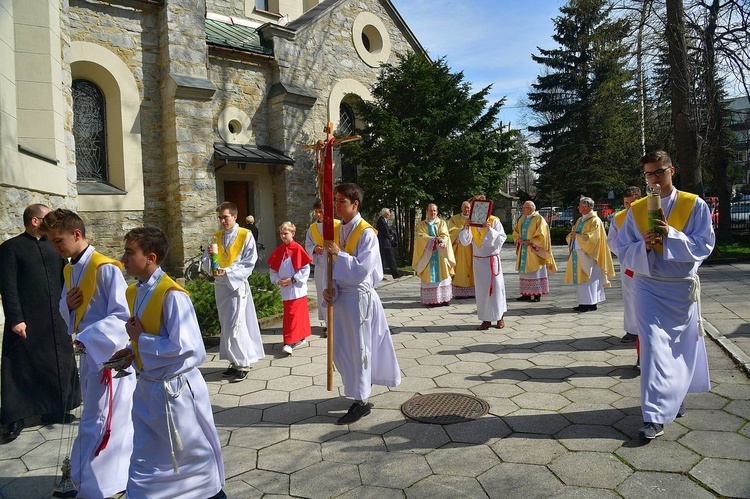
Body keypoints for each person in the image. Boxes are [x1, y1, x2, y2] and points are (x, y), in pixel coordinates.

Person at [113, 227, 226, 498]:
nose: (123, 259)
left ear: (150, 257)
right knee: (145, 458)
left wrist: (141, 340)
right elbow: (149, 334)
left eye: (130, 253)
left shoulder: (173, 295)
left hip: (175, 393)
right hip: (148, 389)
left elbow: (188, 348)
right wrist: (131, 351)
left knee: (188, 456)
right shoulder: (134, 292)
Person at [614, 151, 714, 440]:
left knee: (680, 347)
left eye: (659, 172)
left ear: (672, 170)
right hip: (649, 284)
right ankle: (654, 416)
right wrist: (642, 246)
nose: (654, 178)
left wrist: (671, 234)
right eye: (649, 174)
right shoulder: (637, 209)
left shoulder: (694, 204)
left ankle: (674, 395)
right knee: (654, 347)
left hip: (680, 286)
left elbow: (704, 244)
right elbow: (622, 248)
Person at [40, 209, 135, 498]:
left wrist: (86, 337)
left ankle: (102, 481)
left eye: (58, 241)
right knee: (95, 416)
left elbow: (121, 315)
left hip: (109, 356)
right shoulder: (69, 269)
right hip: (89, 351)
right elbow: (65, 308)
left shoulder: (105, 268)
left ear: (77, 234)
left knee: (107, 418)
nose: (55, 248)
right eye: (52, 242)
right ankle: (85, 474)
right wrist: (67, 304)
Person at [0, 204, 81, 445]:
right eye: (47, 219)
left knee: (57, 362)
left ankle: (55, 408)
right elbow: (8, 287)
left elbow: (65, 278)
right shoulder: (11, 248)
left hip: (56, 318)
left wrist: (70, 310)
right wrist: (16, 319)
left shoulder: (54, 247)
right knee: (20, 367)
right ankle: (16, 417)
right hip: (26, 319)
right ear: (35, 221)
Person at [323, 183, 401, 425]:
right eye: (335, 200)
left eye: (341, 201)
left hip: (359, 299)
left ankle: (361, 401)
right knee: (343, 349)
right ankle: (357, 387)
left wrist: (339, 254)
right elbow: (331, 266)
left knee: (360, 349)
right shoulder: (337, 230)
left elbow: (362, 271)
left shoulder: (367, 232)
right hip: (341, 297)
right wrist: (330, 287)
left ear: (355, 204)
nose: (336, 205)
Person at [204, 202, 265, 382]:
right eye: (220, 218)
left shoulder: (245, 235)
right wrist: (209, 256)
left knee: (236, 324)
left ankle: (243, 362)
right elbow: (209, 264)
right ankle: (234, 361)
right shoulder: (216, 237)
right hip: (221, 287)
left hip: (235, 286)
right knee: (226, 325)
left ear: (234, 216)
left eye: (225, 217)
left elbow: (249, 261)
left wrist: (228, 271)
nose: (222, 221)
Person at [458, 196, 508, 330]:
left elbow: (501, 239)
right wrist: (466, 228)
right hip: (479, 260)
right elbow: (465, 241)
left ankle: (499, 318)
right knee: (482, 291)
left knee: (496, 289)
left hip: (492, 259)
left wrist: (490, 229)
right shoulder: (472, 222)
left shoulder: (494, 221)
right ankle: (486, 319)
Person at [564, 197, 616, 312]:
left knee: (590, 279)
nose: (578, 207)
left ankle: (590, 303)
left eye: (580, 205)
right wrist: (572, 235)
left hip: (590, 255)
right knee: (582, 279)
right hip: (579, 253)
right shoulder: (580, 220)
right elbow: (574, 233)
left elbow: (593, 239)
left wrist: (576, 236)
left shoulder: (594, 220)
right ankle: (584, 302)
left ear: (586, 206)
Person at [268, 222, 312, 355]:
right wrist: (278, 280)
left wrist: (293, 279)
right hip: (285, 288)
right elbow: (273, 269)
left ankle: (290, 342)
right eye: (281, 233)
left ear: (292, 233)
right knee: (291, 314)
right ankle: (300, 337)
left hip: (296, 288)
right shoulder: (279, 250)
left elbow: (305, 268)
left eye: (286, 233)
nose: (283, 236)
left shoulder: (297, 248)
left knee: (294, 315)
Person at [607, 186, 642, 351]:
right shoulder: (619, 217)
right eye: (626, 203)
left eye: (632, 202)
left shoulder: (648, 213)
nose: (629, 206)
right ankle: (632, 329)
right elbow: (611, 239)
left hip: (646, 261)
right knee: (629, 295)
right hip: (628, 262)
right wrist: (626, 251)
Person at [304, 200, 341, 332]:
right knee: (323, 293)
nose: (319, 215)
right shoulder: (312, 228)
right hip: (321, 265)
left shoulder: (338, 225)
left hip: (335, 264)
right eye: (317, 212)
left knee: (336, 292)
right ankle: (327, 323)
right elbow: (307, 245)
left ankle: (338, 322)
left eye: (322, 212)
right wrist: (314, 248)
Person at [513, 200, 557, 302]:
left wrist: (531, 242)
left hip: (534, 250)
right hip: (524, 249)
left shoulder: (539, 219)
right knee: (525, 273)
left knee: (536, 271)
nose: (522, 210)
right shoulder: (522, 219)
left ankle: (537, 294)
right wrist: (518, 239)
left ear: (531, 209)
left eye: (524, 208)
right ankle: (526, 294)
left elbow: (542, 235)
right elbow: (516, 231)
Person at [412, 203, 455, 306]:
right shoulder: (422, 224)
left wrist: (441, 241)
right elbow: (420, 237)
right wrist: (432, 240)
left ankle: (444, 299)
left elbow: (445, 235)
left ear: (437, 212)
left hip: (440, 254)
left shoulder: (442, 223)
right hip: (427, 256)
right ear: (427, 212)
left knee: (443, 274)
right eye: (431, 210)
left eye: (434, 210)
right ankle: (430, 300)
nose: (433, 212)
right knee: (428, 276)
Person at [448, 201, 475, 298]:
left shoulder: (474, 218)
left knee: (472, 269)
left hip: (473, 248)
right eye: (465, 207)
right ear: (461, 208)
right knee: (461, 268)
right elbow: (450, 232)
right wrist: (463, 228)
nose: (466, 210)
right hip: (460, 250)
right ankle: (459, 292)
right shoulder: (455, 219)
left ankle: (473, 291)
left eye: (468, 208)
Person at [376, 208, 402, 279]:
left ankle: (380, 275)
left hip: (383, 243)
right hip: (384, 243)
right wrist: (390, 237)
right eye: (389, 213)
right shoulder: (381, 221)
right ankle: (395, 274)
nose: (389, 215)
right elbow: (385, 231)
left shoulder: (383, 220)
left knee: (382, 259)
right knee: (390, 258)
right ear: (386, 213)